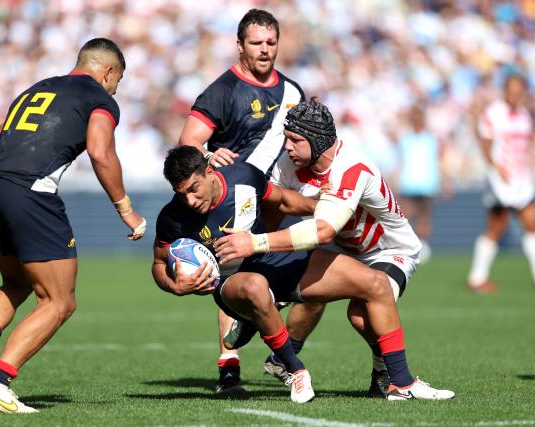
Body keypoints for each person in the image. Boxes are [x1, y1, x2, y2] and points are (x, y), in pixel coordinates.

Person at [214, 99, 455, 400]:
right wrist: (256, 259)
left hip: (388, 251)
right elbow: (274, 209)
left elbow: (322, 230)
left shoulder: (352, 168)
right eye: (286, 138)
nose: (287, 146)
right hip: (344, 250)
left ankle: (392, 376)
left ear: (317, 140)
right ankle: (270, 330)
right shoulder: (291, 163)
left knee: (360, 312)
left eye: (295, 140)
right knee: (295, 287)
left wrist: (255, 242)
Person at [0, 38, 146, 413]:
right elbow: (100, 151)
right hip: (30, 194)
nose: (115, 89)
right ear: (107, 71)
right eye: (117, 81)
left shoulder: (36, 88)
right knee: (59, 300)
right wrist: (126, 209)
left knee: (16, 283)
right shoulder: (100, 99)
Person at [178, 8, 306, 394]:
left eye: (271, 43)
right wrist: (206, 156)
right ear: (239, 46)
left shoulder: (292, 92)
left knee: (304, 273)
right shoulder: (223, 90)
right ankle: (229, 371)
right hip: (234, 199)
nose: (265, 50)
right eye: (256, 43)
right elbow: (188, 141)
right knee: (230, 273)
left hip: (277, 197)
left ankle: (263, 321)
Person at [467, 73, 535, 293]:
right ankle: (477, 278)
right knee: (497, 227)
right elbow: (485, 145)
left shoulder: (524, 114)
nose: (515, 95)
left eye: (519, 91)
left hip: (522, 179)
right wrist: (496, 169)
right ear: (505, 90)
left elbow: (525, 146)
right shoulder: (493, 114)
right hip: (501, 179)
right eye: (512, 91)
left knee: (533, 223)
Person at [396, 103, 445, 264]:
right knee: (405, 215)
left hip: (427, 181)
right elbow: (400, 161)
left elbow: (437, 161)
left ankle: (423, 245)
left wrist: (445, 180)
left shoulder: (431, 139)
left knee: (425, 215)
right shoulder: (405, 138)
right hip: (409, 181)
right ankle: (407, 244)